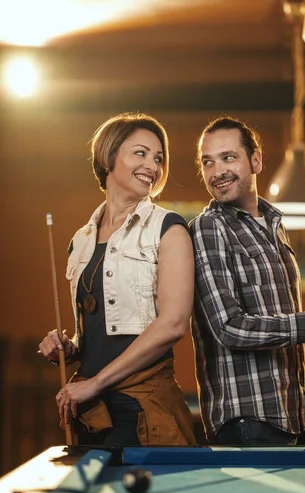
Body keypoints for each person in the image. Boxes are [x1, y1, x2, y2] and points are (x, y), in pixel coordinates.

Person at [190, 116, 305, 446]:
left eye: (228, 157)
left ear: (256, 160)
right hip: (246, 417)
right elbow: (229, 327)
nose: (216, 172)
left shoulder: (273, 225)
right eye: (207, 162)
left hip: (293, 412)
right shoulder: (209, 228)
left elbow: (278, 313)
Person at [39, 112, 196, 446]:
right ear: (109, 157)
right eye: (140, 153)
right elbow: (100, 331)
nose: (153, 166)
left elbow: (172, 324)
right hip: (92, 411)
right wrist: (68, 347)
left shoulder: (168, 228)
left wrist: (95, 383)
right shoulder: (80, 241)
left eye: (158, 158)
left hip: (143, 409)